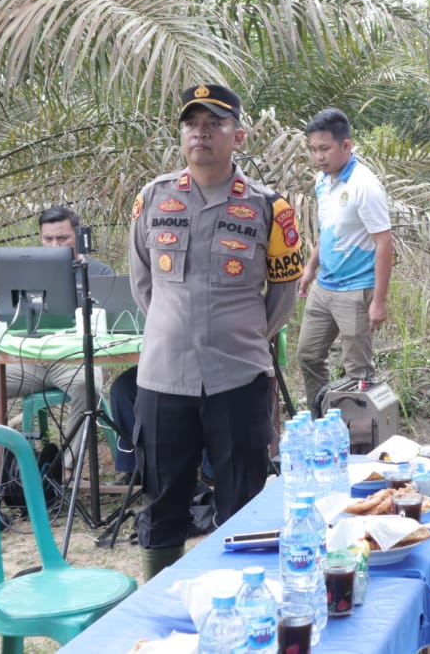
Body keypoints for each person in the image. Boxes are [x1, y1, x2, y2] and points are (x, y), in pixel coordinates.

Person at [128, 83, 301, 580]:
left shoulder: (270, 208)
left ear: (238, 136)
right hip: (164, 379)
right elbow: (143, 282)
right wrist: (178, 329)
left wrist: (237, 334)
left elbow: (284, 292)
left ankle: (243, 601)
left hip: (238, 377)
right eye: (191, 124)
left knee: (243, 503)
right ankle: (160, 603)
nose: (200, 133)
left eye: (214, 124)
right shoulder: (153, 198)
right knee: (163, 502)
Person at [0, 205, 113, 480]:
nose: (55, 245)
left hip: (76, 361)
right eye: (48, 239)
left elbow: (111, 321)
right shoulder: (26, 270)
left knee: (88, 385)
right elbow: (3, 307)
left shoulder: (98, 272)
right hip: (31, 362)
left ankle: (66, 467)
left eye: (62, 238)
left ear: (78, 236)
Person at [295, 108, 394, 409]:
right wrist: (310, 269)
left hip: (356, 289)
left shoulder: (364, 186)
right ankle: (321, 417)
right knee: (308, 355)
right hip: (324, 286)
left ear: (346, 145)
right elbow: (327, 229)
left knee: (358, 373)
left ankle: (360, 432)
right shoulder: (323, 182)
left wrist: (379, 301)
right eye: (313, 149)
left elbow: (384, 241)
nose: (318, 156)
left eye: (325, 149)